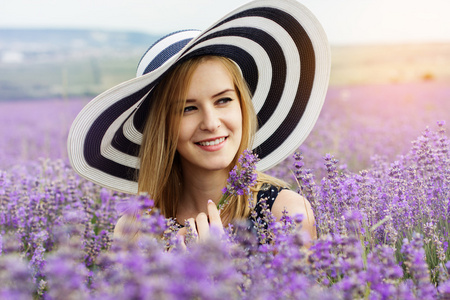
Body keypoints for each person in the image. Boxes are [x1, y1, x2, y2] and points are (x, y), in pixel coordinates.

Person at [67, 0, 330, 246]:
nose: (211, 123)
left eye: (223, 101)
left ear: (242, 107)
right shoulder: (135, 229)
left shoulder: (286, 216)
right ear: (162, 127)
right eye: (187, 108)